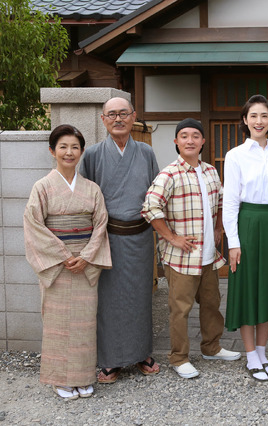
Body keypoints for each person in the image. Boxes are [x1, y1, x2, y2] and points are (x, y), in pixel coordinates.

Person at [142, 119, 241, 379]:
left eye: (195, 135)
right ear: (176, 141)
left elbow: (221, 201)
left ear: (203, 141)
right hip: (181, 257)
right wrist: (171, 237)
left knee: (211, 304)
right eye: (184, 136)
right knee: (180, 310)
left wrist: (218, 228)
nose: (190, 140)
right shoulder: (169, 174)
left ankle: (211, 347)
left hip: (208, 256)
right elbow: (150, 208)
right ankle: (179, 357)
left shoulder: (210, 171)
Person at [24, 124, 112, 400]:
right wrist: (64, 255)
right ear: (52, 151)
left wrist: (86, 256)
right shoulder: (42, 187)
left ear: (82, 152)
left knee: (85, 323)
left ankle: (83, 377)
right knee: (58, 322)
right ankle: (60, 379)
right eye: (63, 146)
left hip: (85, 263)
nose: (69, 152)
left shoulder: (91, 189)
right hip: (57, 264)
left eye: (75, 147)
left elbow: (100, 224)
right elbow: (33, 225)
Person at [79, 97, 160, 383]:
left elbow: (155, 194)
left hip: (140, 237)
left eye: (123, 113)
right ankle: (110, 360)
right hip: (108, 237)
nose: (118, 119)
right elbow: (85, 199)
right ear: (103, 120)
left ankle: (142, 354)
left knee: (140, 297)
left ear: (133, 117)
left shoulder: (146, 152)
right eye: (112, 114)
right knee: (109, 300)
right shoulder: (92, 155)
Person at [223, 95, 268, 382]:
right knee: (248, 289)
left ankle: (263, 352)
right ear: (245, 120)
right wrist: (233, 242)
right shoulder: (235, 155)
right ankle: (250, 354)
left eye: (264, 115)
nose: (259, 121)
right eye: (253, 115)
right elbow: (230, 202)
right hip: (248, 224)